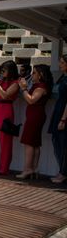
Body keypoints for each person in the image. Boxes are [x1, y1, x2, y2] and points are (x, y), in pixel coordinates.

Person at [17, 64, 53, 179]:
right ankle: (34, 168)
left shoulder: (41, 87)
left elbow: (31, 100)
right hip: (36, 115)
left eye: (34, 73)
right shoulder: (41, 85)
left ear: (40, 75)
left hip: (35, 116)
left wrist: (24, 88)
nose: (32, 75)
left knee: (29, 142)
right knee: (35, 143)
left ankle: (28, 169)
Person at [48, 54, 67, 183]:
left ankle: (64, 172)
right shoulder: (63, 77)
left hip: (63, 113)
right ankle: (62, 171)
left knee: (63, 144)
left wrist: (63, 119)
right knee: (59, 143)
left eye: (62, 62)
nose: (59, 64)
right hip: (59, 110)